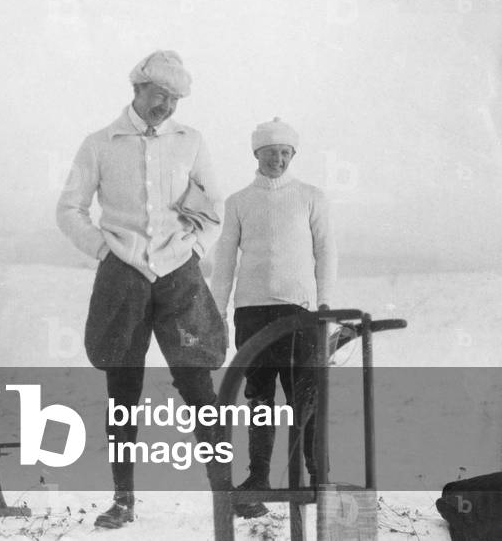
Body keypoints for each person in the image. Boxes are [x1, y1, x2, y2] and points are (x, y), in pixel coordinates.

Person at [57, 50, 227, 529]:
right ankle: (124, 499)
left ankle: (225, 492)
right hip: (123, 275)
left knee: (199, 384)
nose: (166, 107)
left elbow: (214, 204)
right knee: (122, 388)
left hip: (179, 275)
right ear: (137, 89)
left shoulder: (190, 142)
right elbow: (69, 208)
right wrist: (104, 250)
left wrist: (194, 249)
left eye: (175, 99)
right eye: (160, 95)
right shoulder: (100, 144)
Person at [209, 117, 337, 517]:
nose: (277, 159)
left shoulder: (311, 197)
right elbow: (225, 260)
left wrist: (325, 306)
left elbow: (326, 252)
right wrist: (218, 311)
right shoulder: (238, 202)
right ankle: (258, 479)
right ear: (257, 154)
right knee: (260, 400)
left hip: (300, 314)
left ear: (293, 155)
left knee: (306, 400)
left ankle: (317, 478)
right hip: (252, 314)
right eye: (270, 152)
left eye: (285, 153)